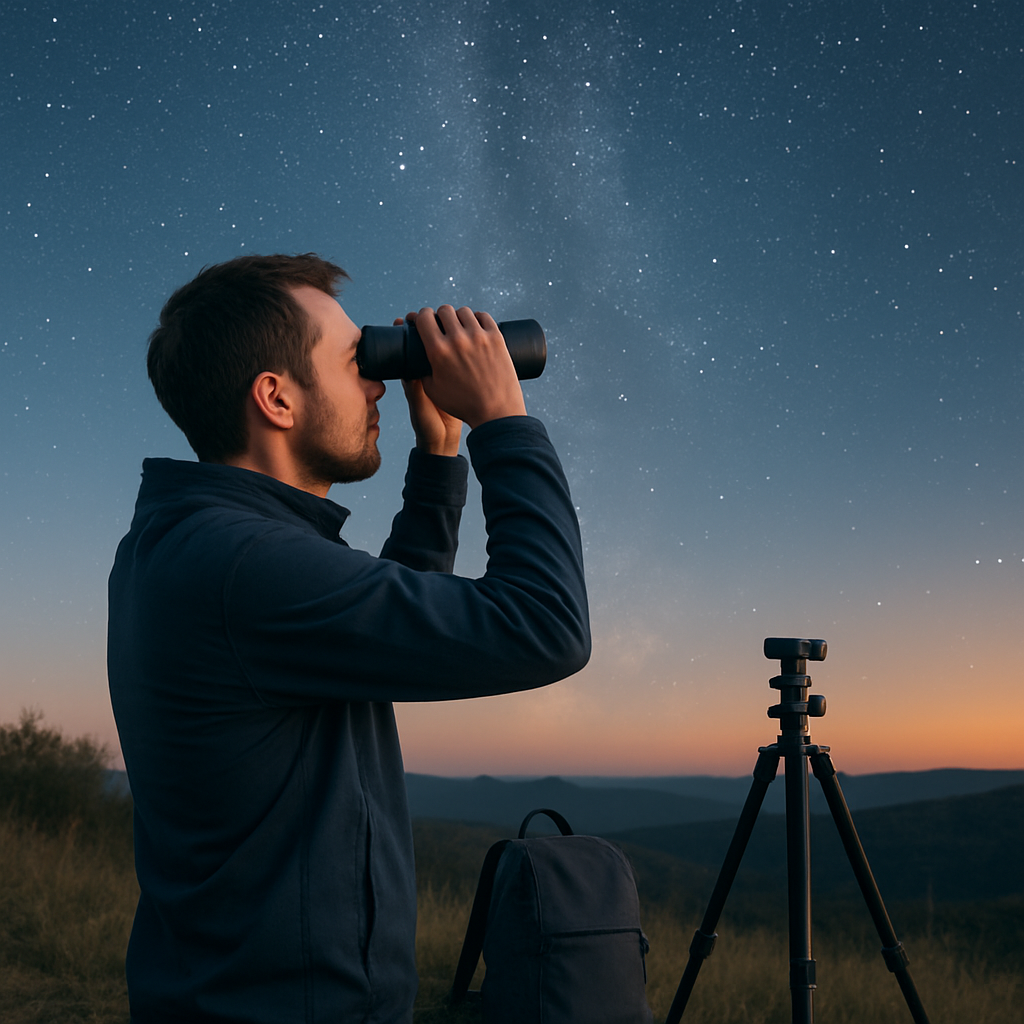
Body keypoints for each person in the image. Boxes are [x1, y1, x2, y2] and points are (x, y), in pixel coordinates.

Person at [106, 253, 590, 1024]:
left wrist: (439, 453)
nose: (377, 381)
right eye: (354, 360)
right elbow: (545, 627)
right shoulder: (243, 562)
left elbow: (378, 648)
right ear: (276, 398)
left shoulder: (202, 544)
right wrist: (505, 422)